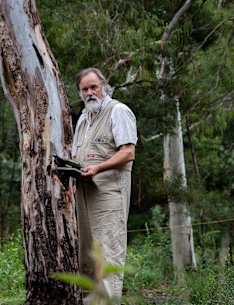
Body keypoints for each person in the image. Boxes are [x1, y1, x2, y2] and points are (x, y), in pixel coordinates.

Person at [72, 67, 137, 300]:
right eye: (85, 89)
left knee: (107, 255)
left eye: (94, 87)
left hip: (109, 195)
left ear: (104, 87)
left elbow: (128, 153)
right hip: (84, 196)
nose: (90, 93)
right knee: (87, 257)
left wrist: (98, 168)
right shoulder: (82, 118)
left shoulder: (118, 111)